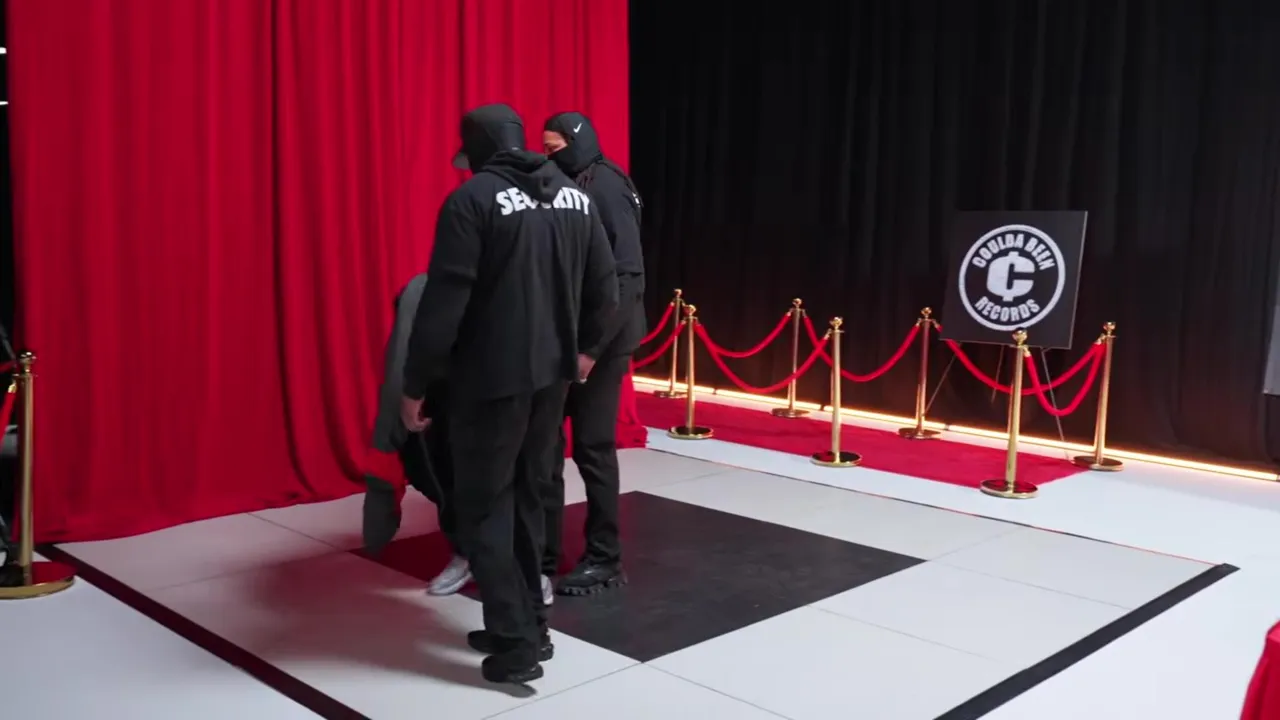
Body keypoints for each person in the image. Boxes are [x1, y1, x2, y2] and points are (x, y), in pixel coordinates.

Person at [401, 104, 618, 684]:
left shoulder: (471, 201)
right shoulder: (575, 197)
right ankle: (529, 625)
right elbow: (607, 286)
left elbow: (443, 305)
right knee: (527, 497)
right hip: (552, 379)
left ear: (475, 150)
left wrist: (415, 384)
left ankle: (517, 642)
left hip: (489, 382)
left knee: (483, 507)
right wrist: (587, 350)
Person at [540, 112, 646, 597]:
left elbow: (627, 276)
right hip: (568, 338)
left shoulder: (605, 187)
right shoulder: (569, 184)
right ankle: (542, 553)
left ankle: (605, 558)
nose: (548, 157)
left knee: (592, 447)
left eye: (555, 148)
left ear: (577, 142)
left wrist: (591, 350)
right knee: (544, 446)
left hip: (603, 340)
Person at [365, 273, 470, 596]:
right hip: (455, 390)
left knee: (531, 473)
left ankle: (537, 563)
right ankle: (466, 551)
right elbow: (404, 354)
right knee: (446, 468)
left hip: (522, 382)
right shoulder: (425, 289)